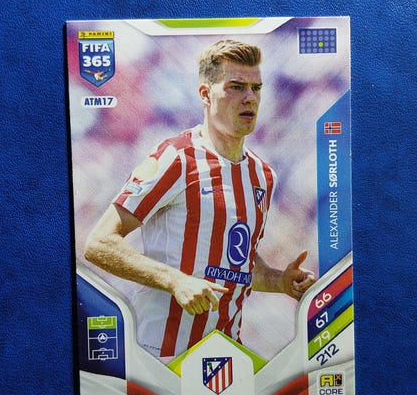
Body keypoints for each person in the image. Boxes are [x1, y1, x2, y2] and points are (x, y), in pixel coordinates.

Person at [84, 39, 315, 359]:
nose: (249, 97)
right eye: (236, 87)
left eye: (256, 88)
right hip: (161, 358)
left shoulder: (263, 175)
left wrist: (279, 281)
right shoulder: (176, 157)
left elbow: (237, 263)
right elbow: (98, 243)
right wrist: (174, 280)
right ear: (206, 94)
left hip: (226, 356)